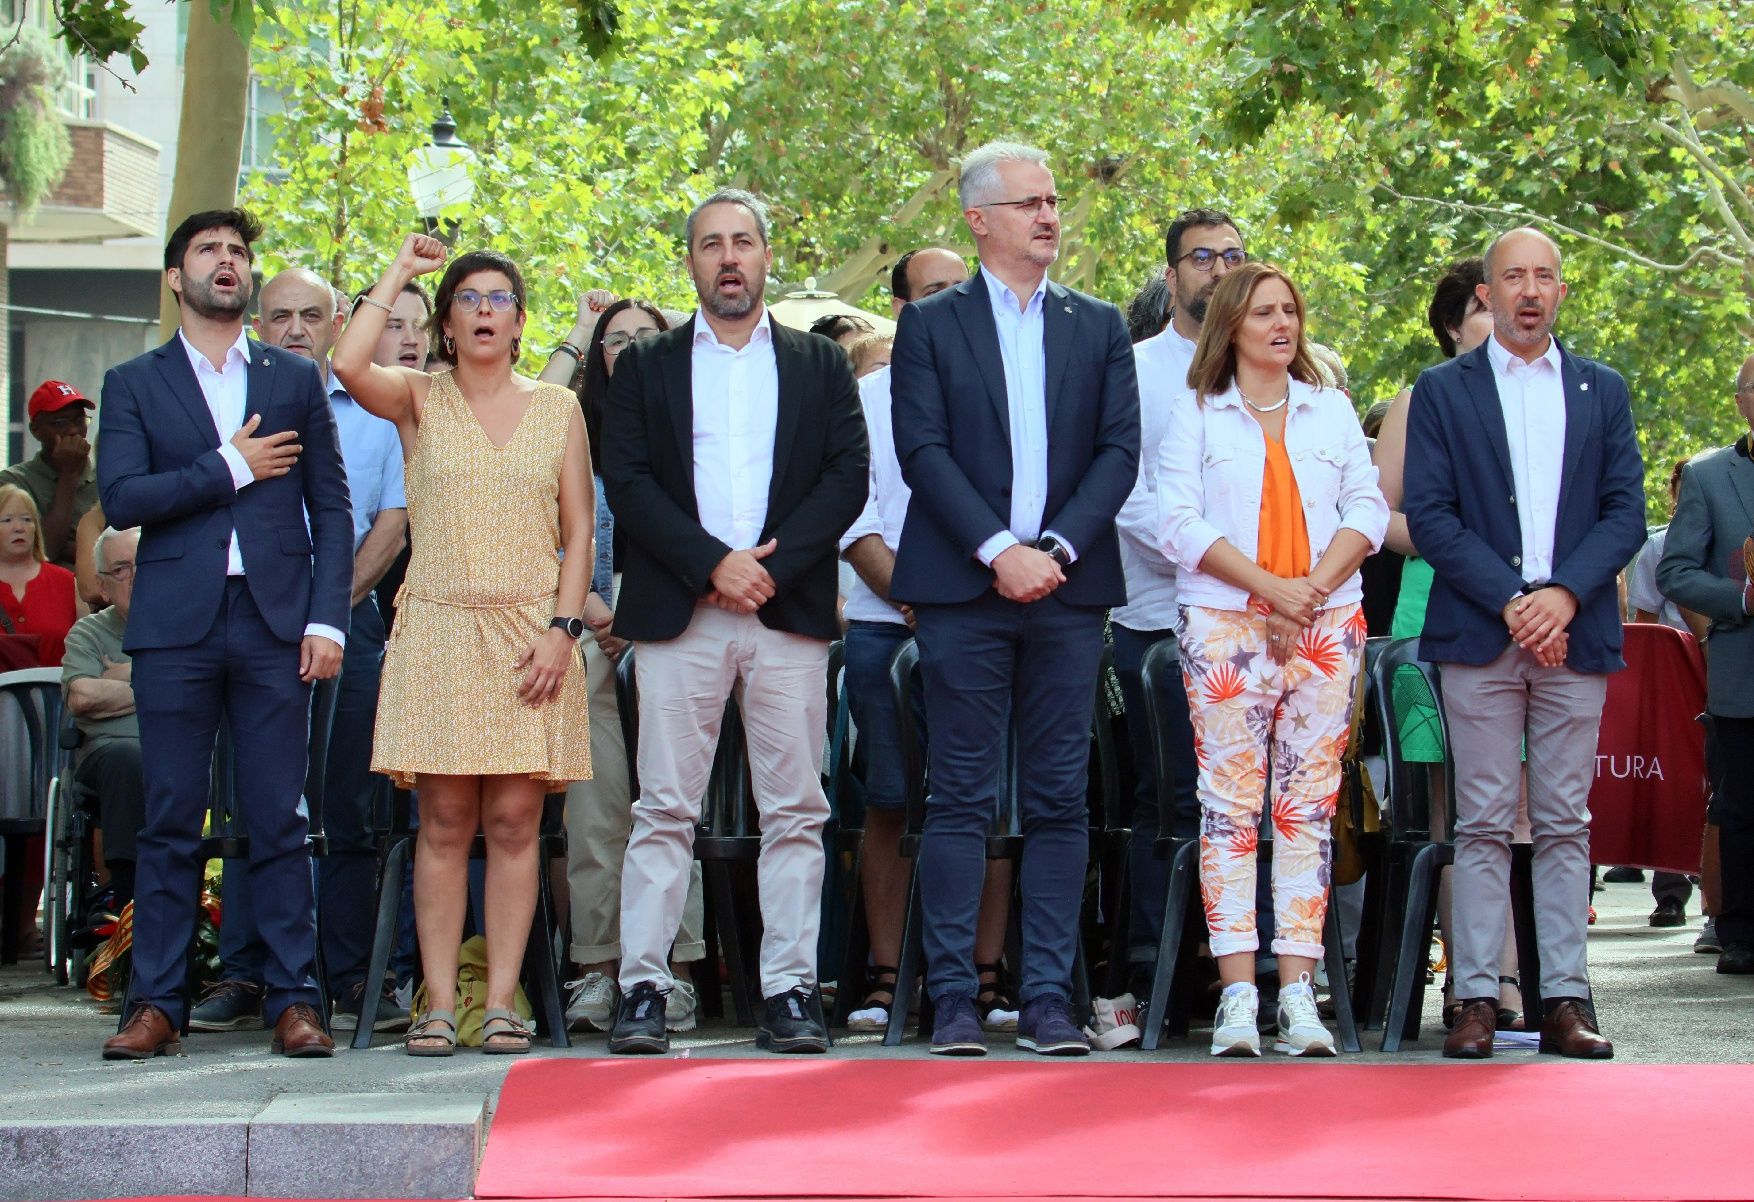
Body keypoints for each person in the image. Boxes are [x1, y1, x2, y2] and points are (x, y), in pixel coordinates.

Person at [602, 188, 867, 1056]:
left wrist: (762, 569)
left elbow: (845, 480)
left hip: (783, 609)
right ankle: (644, 985)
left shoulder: (818, 365)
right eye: (711, 244)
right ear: (690, 261)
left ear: (764, 257)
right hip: (681, 610)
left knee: (796, 807)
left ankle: (790, 990)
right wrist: (711, 563)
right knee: (663, 808)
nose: (728, 258)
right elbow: (628, 481)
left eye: (743, 242)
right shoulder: (644, 364)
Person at [889, 141, 1139, 1057]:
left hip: (1068, 592)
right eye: (1029, 201)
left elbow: (1119, 452)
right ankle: (952, 999)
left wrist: (1056, 550)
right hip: (964, 589)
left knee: (1058, 800)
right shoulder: (931, 323)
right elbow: (924, 452)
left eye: (1054, 198)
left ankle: (1046, 1001)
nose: (1048, 215)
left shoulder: (1098, 324)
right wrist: (999, 550)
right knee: (957, 798)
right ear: (978, 219)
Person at [98, 208, 352, 1061]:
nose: (227, 262)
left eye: (238, 251)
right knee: (171, 817)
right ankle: (155, 1003)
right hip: (174, 626)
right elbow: (125, 498)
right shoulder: (134, 382)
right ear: (177, 278)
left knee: (279, 816)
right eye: (208, 250)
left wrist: (327, 618)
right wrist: (231, 466)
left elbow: (333, 508)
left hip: (278, 623)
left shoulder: (290, 377)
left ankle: (294, 999)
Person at [333, 235, 595, 1056]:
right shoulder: (418, 397)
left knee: (516, 822)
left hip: (530, 633)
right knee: (444, 820)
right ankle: (439, 1003)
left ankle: (506, 1000)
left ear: (521, 322)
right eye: (469, 299)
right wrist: (401, 272)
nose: (485, 311)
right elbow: (345, 365)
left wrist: (563, 629)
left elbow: (580, 529)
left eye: (499, 300)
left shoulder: (558, 407)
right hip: (440, 625)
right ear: (446, 322)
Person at [1404, 226, 1646, 1059]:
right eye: (1514, 277)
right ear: (1488, 294)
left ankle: (1566, 1000)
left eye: (1545, 277)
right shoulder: (1443, 390)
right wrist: (1515, 601)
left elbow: (1624, 512)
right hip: (1481, 630)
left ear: (1561, 292)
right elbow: (1431, 515)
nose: (1530, 290)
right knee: (1479, 821)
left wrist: (1563, 596)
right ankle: (1473, 997)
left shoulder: (1602, 388)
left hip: (1575, 634)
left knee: (1565, 821)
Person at [1157, 261, 1386, 1057]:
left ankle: (1297, 992)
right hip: (1225, 624)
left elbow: (1368, 507)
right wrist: (1270, 591)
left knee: (1307, 808)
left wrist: (1311, 590)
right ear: (1232, 326)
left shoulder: (1330, 410)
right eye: (1263, 313)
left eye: (1289, 310)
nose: (1281, 324)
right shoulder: (1197, 414)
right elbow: (1178, 523)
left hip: (1328, 622)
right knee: (1229, 807)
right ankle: (1235, 994)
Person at [840, 245, 1019, 1034]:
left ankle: (983, 978)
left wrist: (967, 595)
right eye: (941, 291)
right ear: (907, 311)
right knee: (888, 803)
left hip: (990, 618)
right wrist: (917, 595)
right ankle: (888, 977)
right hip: (888, 627)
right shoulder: (863, 399)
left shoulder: (1003, 385)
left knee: (986, 802)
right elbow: (854, 515)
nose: (961, 303)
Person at [536, 291, 709, 1035]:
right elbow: (530, 530)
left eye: (647, 336)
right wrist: (593, 611)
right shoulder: (567, 429)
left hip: (672, 630)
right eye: (616, 340)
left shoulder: (694, 429)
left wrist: (637, 613)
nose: (631, 349)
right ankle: (600, 969)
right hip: (581, 635)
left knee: (670, 805)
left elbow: (707, 533)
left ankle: (674, 967)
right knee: (595, 810)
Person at [1373, 256, 1527, 1029]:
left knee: (1524, 811)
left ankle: (1521, 979)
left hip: (1532, 619)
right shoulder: (1417, 401)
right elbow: (1378, 514)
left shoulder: (1547, 397)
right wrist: (1452, 541)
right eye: (1485, 309)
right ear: (1454, 324)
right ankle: (1472, 980)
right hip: (1437, 615)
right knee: (1452, 815)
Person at [255, 268, 410, 1032]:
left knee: (348, 802)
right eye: (279, 316)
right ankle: (251, 975)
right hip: (254, 625)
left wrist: (326, 607)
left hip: (354, 620)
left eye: (310, 316)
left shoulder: (379, 412)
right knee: (264, 799)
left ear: (339, 320)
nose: (293, 329)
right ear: (258, 324)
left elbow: (390, 526)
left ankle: (349, 975)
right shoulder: (240, 408)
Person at [1112, 208, 1244, 997]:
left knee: (1248, 797)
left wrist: (1256, 581)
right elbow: (1124, 497)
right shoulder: (1131, 371)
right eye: (1201, 258)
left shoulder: (1275, 369)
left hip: (1259, 625)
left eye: (1233, 255)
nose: (1219, 269)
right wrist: (1221, 565)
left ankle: (1246, 967)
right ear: (1172, 277)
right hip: (1157, 616)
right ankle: (1150, 968)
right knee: (1163, 795)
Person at [1658, 352, 1754, 976]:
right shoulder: (1711, 476)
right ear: (1743, 399)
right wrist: (1742, 597)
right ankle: (1741, 932)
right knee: (1743, 807)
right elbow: (1675, 572)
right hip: (1744, 673)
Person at [1625, 456, 1709, 931]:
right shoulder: (1659, 547)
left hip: (1725, 664)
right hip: (1680, 676)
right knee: (1673, 775)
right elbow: (1646, 626)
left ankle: (1718, 902)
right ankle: (1672, 892)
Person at [60, 526, 144, 909]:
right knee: (127, 758)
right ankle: (129, 902)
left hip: (185, 749)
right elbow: (83, 696)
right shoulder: (88, 632)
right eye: (122, 569)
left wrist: (125, 674)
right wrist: (162, 683)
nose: (137, 576)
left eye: (145, 564)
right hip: (110, 754)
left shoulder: (189, 625)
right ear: (103, 586)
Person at [0, 381, 98, 570]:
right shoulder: (13, 482)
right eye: (61, 423)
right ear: (36, 430)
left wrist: (69, 548)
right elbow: (45, 552)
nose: (73, 430)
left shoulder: (104, 477)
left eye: (80, 420)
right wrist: (69, 474)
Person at [0, 485, 78, 665]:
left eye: (27, 519)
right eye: (7, 520)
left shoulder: (66, 582)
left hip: (58, 690)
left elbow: (89, 650)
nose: (19, 527)